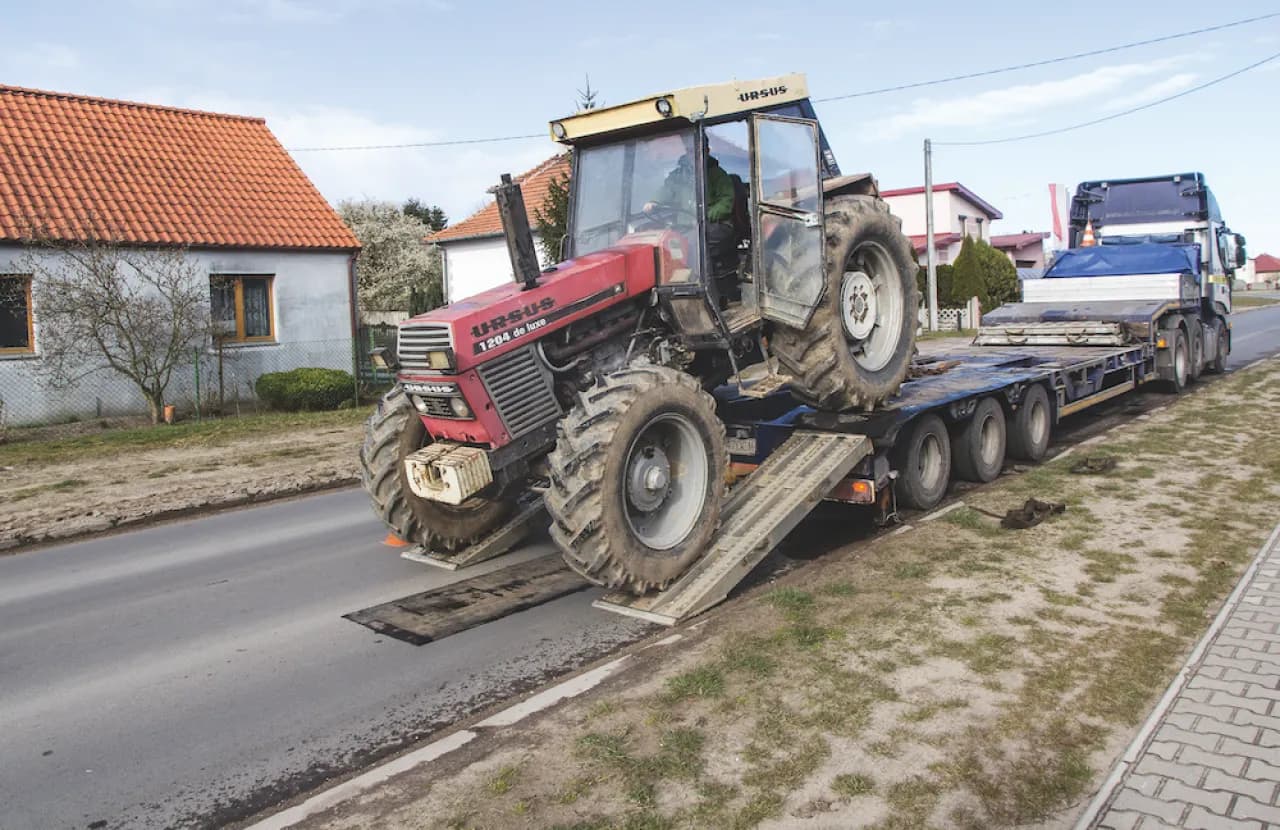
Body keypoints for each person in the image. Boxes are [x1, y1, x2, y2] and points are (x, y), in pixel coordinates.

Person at [643, 146, 738, 275]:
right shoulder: (678, 175)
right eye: (690, 150)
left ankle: (701, 280)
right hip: (685, 225)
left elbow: (726, 201)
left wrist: (705, 216)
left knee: (695, 242)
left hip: (716, 224)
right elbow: (667, 189)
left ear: (706, 151)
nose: (692, 154)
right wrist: (654, 201)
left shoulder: (717, 174)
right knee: (665, 241)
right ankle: (670, 279)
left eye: (697, 150)